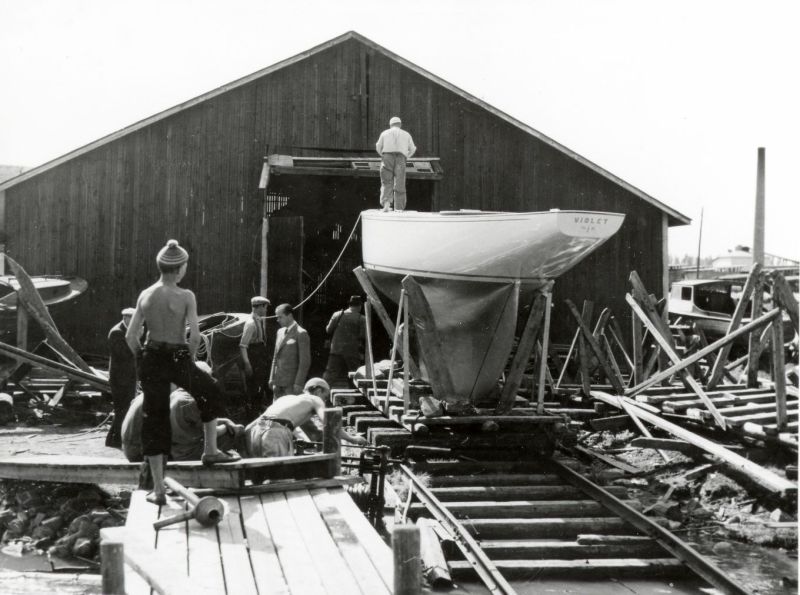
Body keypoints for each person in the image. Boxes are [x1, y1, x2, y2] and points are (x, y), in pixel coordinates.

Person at [126, 239, 239, 505]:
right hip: (177, 355)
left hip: (152, 356)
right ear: (180, 269)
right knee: (210, 391)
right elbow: (195, 336)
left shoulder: (145, 294)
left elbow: (131, 336)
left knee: (155, 419)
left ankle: (159, 490)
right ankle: (210, 450)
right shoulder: (186, 295)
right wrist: (187, 360)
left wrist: (142, 359)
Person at [120, 364, 245, 463]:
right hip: (142, 453)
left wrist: (224, 421)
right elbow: (208, 432)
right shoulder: (187, 401)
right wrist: (229, 428)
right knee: (233, 434)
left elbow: (195, 422)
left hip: (130, 448)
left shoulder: (157, 395)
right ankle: (245, 468)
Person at [245, 377, 367, 459]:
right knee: (279, 480)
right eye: (325, 396)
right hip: (275, 434)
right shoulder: (315, 399)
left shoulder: (286, 399)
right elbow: (329, 422)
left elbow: (248, 428)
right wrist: (353, 439)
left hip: (256, 433)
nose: (325, 401)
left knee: (262, 478)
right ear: (318, 391)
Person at [105, 307, 138, 448]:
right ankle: (115, 440)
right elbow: (125, 354)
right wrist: (137, 338)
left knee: (123, 409)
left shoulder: (127, 331)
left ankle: (113, 440)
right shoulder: (117, 332)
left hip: (127, 376)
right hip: (119, 378)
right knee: (121, 409)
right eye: (133, 319)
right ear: (126, 318)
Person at [239, 296, 271, 419]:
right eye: (265, 307)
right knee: (254, 388)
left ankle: (257, 411)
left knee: (261, 386)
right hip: (254, 358)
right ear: (259, 307)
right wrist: (247, 364)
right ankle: (252, 415)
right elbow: (243, 346)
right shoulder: (251, 323)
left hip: (260, 356)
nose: (266, 310)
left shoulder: (258, 320)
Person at [269, 303, 310, 399]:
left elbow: (305, 362)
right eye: (277, 317)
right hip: (277, 383)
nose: (277, 320)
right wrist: (272, 378)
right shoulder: (279, 332)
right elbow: (275, 357)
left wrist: (299, 383)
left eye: (280, 317)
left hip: (291, 385)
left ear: (290, 316)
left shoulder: (301, 333)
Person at [323, 295, 365, 388]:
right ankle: (355, 394)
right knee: (355, 375)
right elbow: (363, 336)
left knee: (329, 374)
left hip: (336, 349)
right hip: (353, 351)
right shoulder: (362, 319)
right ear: (360, 306)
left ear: (349, 305)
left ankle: (321, 390)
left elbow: (328, 330)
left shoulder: (337, 315)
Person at [375, 116, 416, 212]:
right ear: (400, 125)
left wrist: (383, 155)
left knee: (386, 181)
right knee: (400, 182)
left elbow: (378, 146)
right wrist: (407, 156)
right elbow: (413, 148)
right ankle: (399, 208)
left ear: (390, 125)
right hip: (401, 157)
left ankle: (386, 205)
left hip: (387, 156)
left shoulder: (384, 133)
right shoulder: (406, 134)